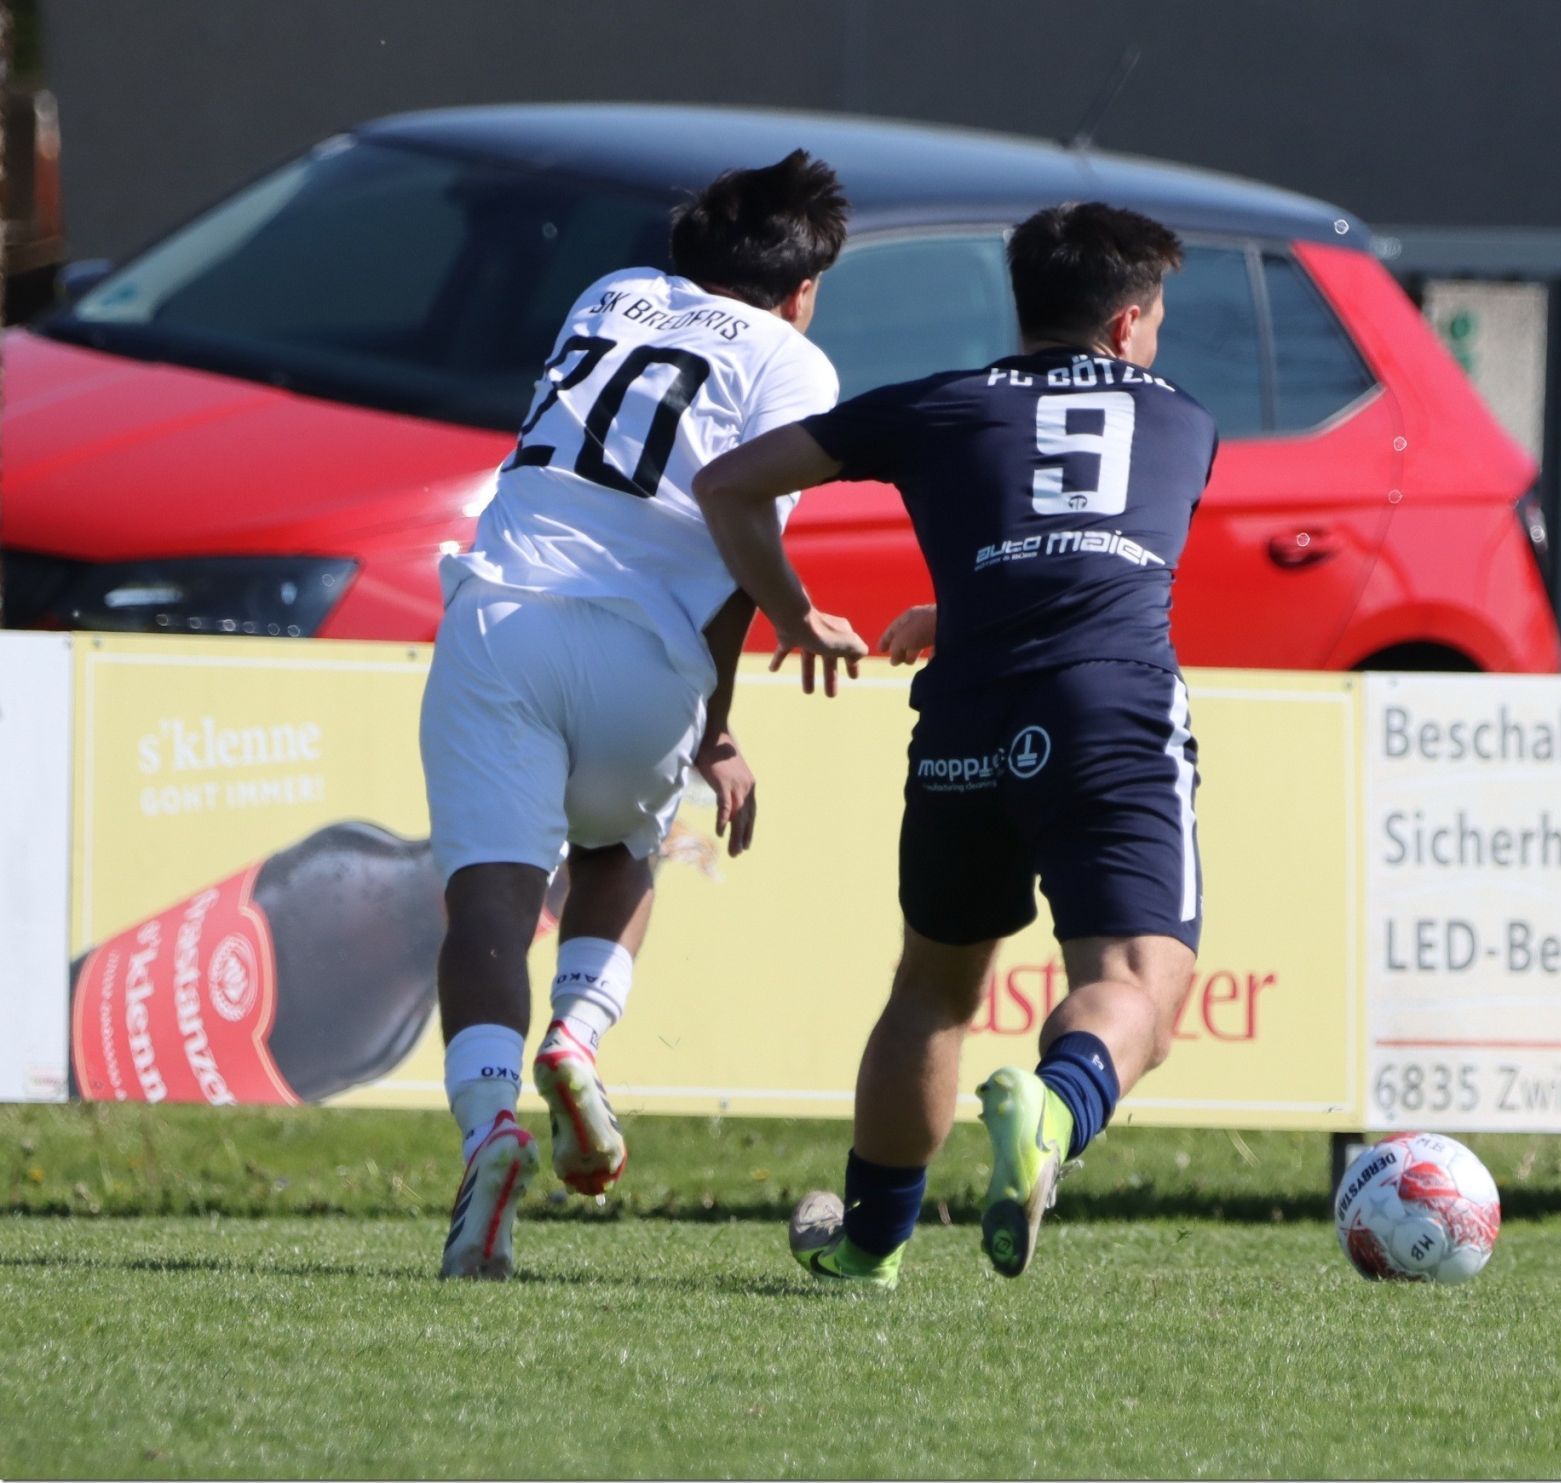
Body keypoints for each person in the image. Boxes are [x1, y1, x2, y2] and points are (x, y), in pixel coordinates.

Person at [694, 201, 1216, 1287]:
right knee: (1139, 983)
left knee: (931, 988)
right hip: (1105, 711)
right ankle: (1052, 1112)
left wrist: (792, 615)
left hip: (965, 715)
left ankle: (869, 1242)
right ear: (1126, 325)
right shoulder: (1183, 421)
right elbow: (1096, 543)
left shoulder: (936, 405)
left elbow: (726, 484)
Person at [420, 150, 865, 1279]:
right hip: (643, 651)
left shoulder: (604, 295)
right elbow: (731, 555)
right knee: (616, 855)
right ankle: (576, 1038)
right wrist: (728, 707)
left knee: (486, 901)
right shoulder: (795, 363)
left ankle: (490, 1131)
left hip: (501, 615)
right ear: (803, 288)